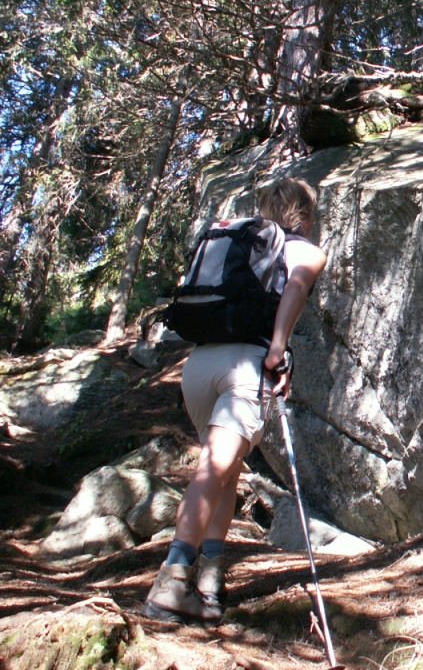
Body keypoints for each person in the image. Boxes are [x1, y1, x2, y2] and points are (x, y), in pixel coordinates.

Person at [143, 177, 328, 624]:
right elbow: (296, 289)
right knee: (213, 470)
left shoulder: (244, 246)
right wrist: (278, 349)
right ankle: (171, 582)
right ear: (306, 213)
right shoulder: (304, 250)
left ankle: (209, 583)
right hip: (246, 368)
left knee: (225, 474)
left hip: (199, 367)